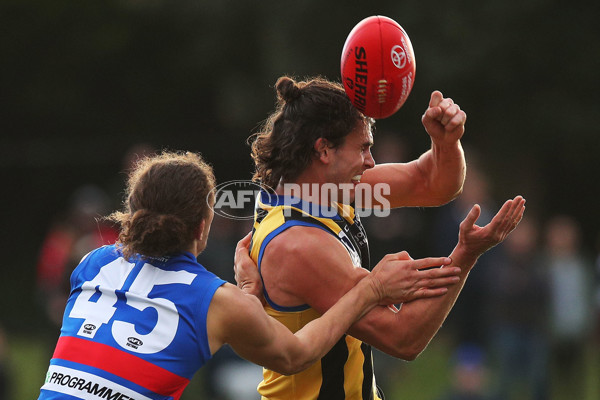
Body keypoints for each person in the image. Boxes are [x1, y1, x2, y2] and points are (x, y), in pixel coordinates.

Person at [37, 150, 465, 400]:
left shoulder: (91, 264)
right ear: (202, 227)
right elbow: (296, 353)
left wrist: (246, 295)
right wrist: (369, 288)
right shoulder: (213, 301)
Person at [242, 76, 526, 399]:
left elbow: (431, 182)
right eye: (363, 148)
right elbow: (403, 337)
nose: (371, 161)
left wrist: (446, 142)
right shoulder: (300, 244)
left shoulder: (323, 189)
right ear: (323, 150)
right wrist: (467, 253)